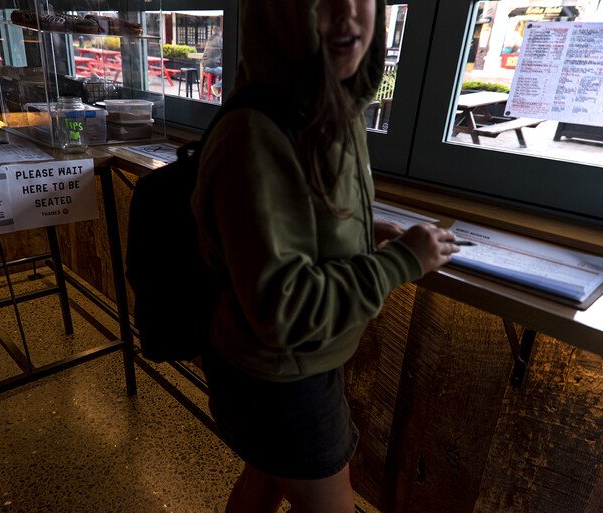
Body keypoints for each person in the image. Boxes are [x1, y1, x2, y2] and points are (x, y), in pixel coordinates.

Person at [191, 0, 461, 512]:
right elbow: (283, 309)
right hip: (280, 378)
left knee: (266, 481)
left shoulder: (330, 103)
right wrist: (401, 262)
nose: (347, 13)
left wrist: (358, 232)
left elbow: (301, 221)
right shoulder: (256, 133)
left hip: (288, 365)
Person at [202, 25, 223, 98]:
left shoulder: (209, 40)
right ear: (220, 32)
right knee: (229, 73)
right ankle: (215, 86)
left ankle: (207, 84)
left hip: (204, 67)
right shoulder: (220, 40)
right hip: (212, 67)